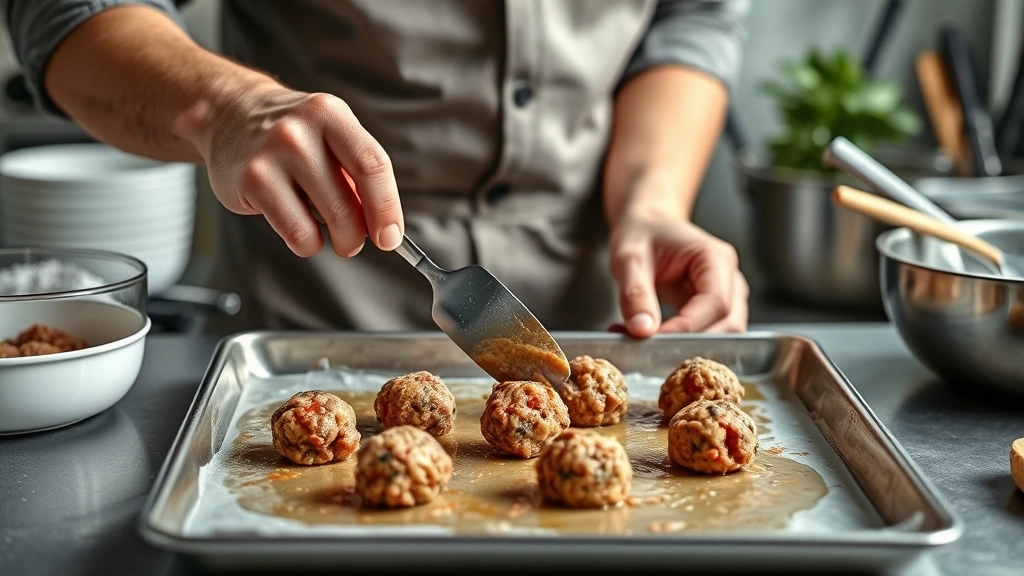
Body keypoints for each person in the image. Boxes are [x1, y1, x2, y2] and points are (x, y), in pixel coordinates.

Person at [3, 0, 751, 337]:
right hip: (312, 321)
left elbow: (688, 21)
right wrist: (225, 103)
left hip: (605, 319)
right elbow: (61, 9)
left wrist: (652, 201)